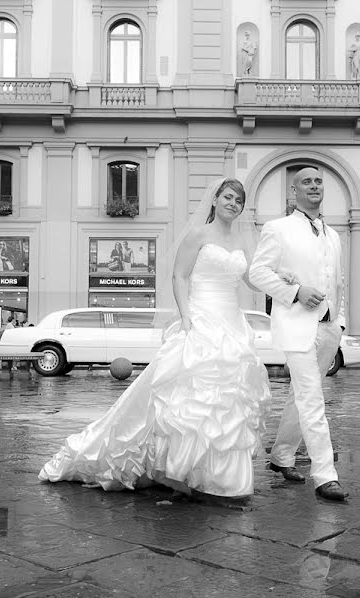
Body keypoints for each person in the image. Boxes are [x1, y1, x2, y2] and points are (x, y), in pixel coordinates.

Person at [39, 178, 272, 497]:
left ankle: (221, 477)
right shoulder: (199, 235)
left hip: (232, 322)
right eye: (228, 197)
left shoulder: (243, 243)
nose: (233, 203)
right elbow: (180, 276)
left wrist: (279, 281)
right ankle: (181, 468)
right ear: (215, 200)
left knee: (227, 401)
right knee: (190, 398)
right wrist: (187, 316)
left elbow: (252, 280)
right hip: (202, 316)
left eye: (239, 200)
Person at [249, 167, 349, 502]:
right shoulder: (277, 228)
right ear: (294, 192)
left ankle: (281, 457)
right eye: (306, 181)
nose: (314, 186)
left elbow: (339, 283)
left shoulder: (333, 236)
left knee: (302, 395)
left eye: (319, 181)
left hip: (328, 328)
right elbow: (258, 272)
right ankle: (325, 475)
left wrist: (341, 322)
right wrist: (295, 293)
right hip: (296, 327)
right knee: (312, 399)